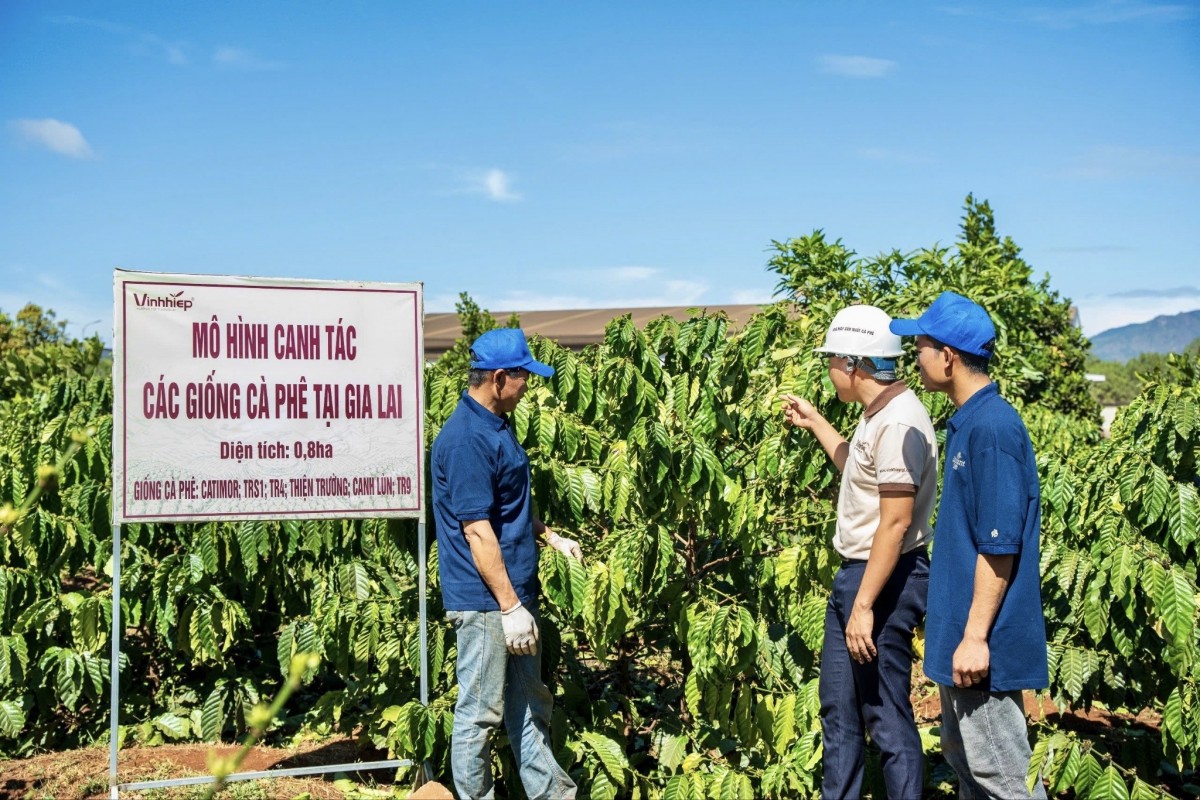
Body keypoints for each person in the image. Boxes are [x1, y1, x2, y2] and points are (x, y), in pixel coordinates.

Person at [890, 291, 1049, 799]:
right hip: (962, 641)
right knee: (971, 771)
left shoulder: (993, 428)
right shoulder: (968, 422)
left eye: (920, 345)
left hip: (983, 647)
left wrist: (976, 636)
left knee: (1005, 779)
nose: (915, 357)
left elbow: (998, 546)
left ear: (948, 356)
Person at [782, 305, 937, 799]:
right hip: (860, 577)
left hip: (882, 580)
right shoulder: (879, 416)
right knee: (840, 713)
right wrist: (818, 424)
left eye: (831, 359)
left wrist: (865, 605)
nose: (828, 369)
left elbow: (894, 523)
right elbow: (858, 469)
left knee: (886, 719)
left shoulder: (898, 422)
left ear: (852, 364)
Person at [431, 328, 582, 800]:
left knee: (529, 707)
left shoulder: (499, 423)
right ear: (499, 378)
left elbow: (509, 502)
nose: (528, 387)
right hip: (486, 604)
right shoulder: (466, 441)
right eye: (523, 378)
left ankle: (552, 795)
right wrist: (509, 606)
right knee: (480, 713)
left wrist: (550, 536)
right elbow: (477, 530)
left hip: (514, 594)